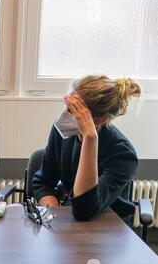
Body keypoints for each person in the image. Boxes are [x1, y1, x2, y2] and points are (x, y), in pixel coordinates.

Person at [32, 75, 140, 223]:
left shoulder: (123, 154)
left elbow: (84, 210)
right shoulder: (63, 132)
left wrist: (90, 138)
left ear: (99, 119)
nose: (64, 115)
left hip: (110, 227)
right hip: (71, 220)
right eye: (67, 105)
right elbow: (43, 182)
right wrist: (53, 214)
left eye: (73, 110)